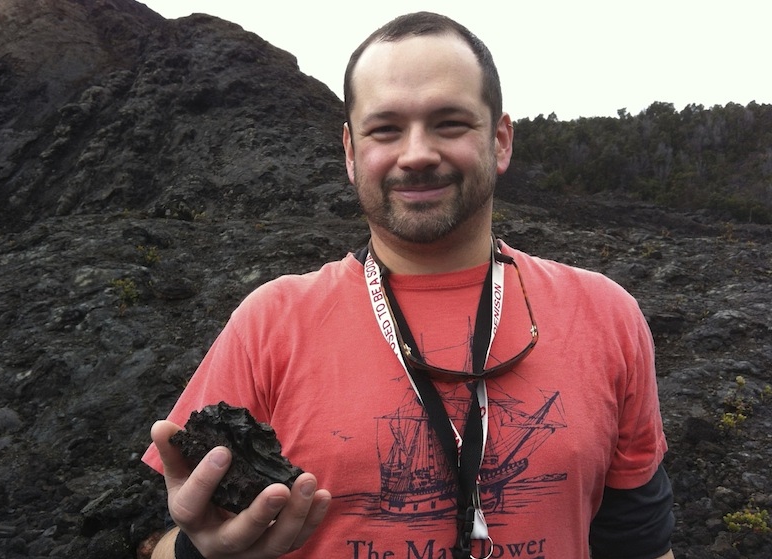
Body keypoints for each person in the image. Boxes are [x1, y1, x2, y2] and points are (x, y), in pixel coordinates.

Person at [143, 11, 675, 559]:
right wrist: (197, 553)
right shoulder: (270, 321)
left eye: (449, 122)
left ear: (500, 139)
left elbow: (638, 540)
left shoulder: (607, 314)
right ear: (351, 153)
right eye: (386, 128)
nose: (417, 153)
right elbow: (188, 534)